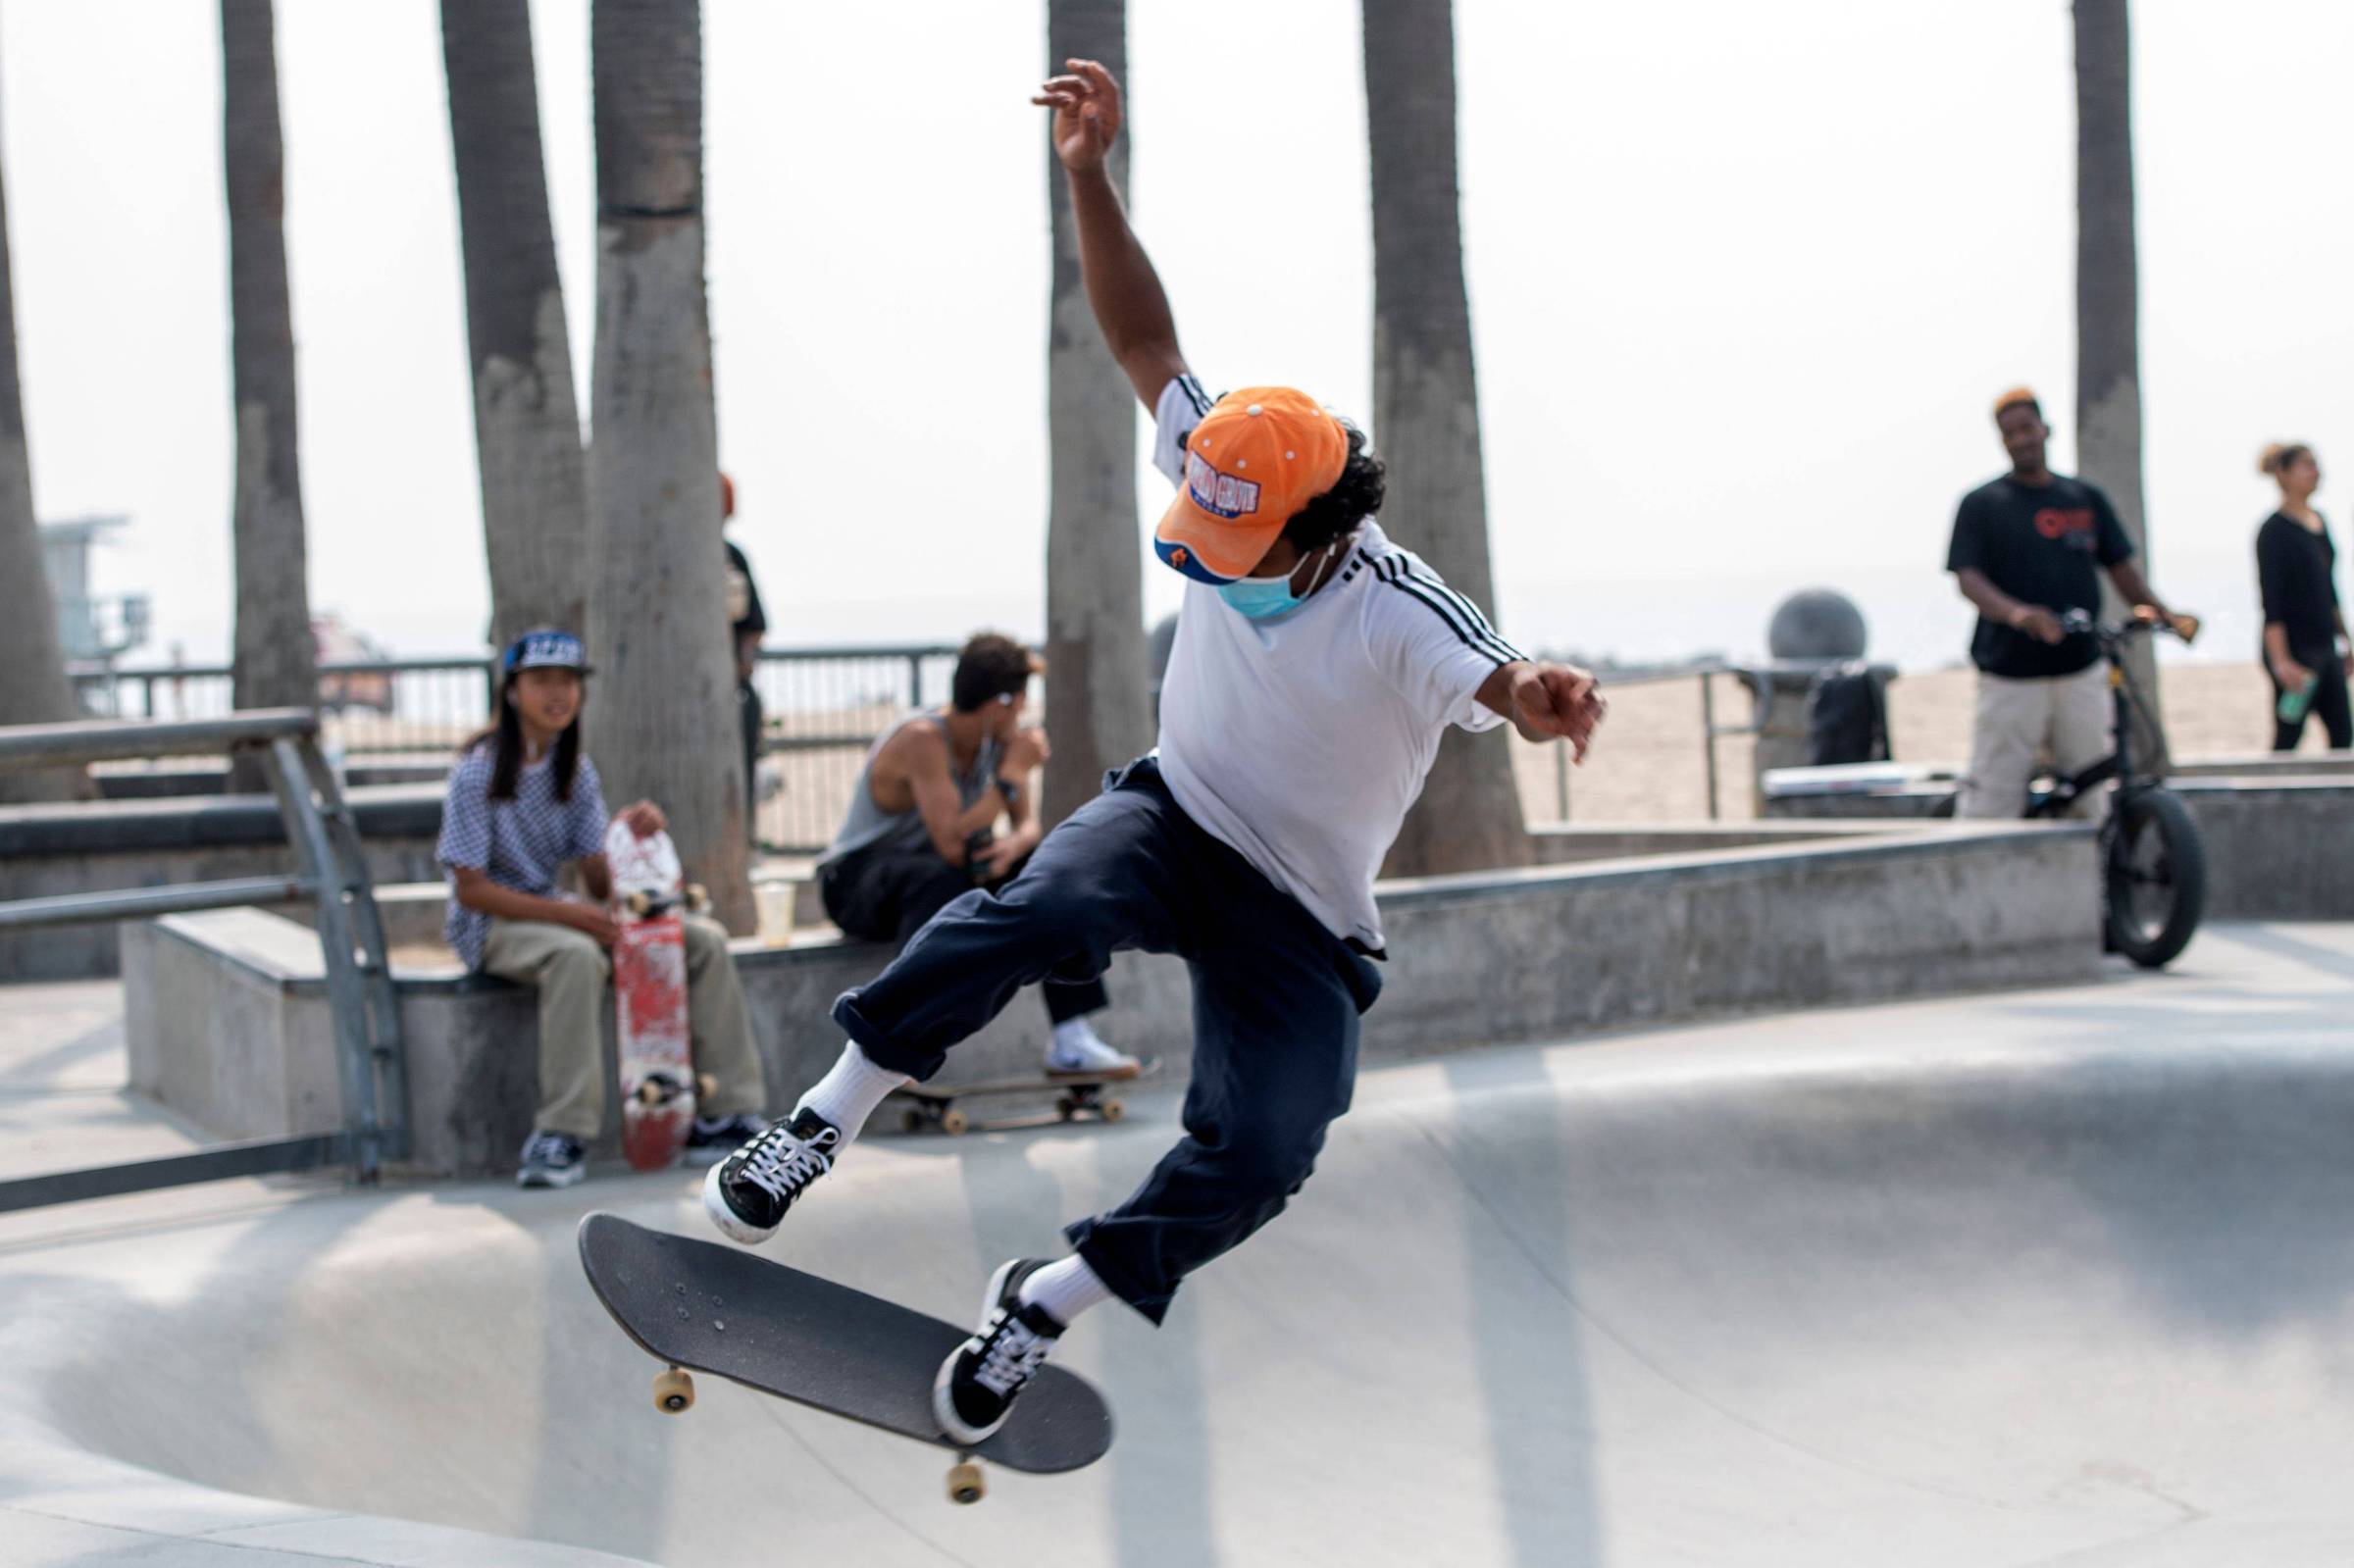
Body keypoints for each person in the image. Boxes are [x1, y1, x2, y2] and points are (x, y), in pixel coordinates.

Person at [701, 60, 1606, 1446]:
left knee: (1266, 1148)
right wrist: (1084, 176)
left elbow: (1501, 671)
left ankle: (1047, 1297)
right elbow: (1141, 336)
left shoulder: (1399, 607)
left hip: (1303, 915)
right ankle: (825, 1116)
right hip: (1175, 814)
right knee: (1042, 904)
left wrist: (1543, 690)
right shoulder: (1231, 446)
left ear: (1319, 530)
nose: (1219, 573)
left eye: (1245, 559)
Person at [438, 629, 769, 1189]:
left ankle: (724, 1114)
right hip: (491, 926)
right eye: (543, 681)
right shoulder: (478, 772)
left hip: (557, 912)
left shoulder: (577, 770)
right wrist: (570, 915)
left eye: (568, 682)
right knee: (576, 958)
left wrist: (634, 833)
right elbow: (470, 889)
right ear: (513, 691)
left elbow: (598, 880)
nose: (558, 694)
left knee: (706, 940)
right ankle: (561, 1134)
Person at [814, 632, 1137, 1077]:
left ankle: (1072, 1038)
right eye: (1022, 700)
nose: (1025, 712)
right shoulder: (922, 739)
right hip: (856, 884)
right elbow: (950, 844)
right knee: (940, 878)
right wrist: (1010, 776)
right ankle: (896, 1040)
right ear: (999, 704)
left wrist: (1012, 848)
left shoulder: (1002, 742)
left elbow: (1029, 828)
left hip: (934, 877)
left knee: (1052, 876)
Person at [1946, 387, 2197, 818]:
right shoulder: (1982, 505)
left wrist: (2165, 614)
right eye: (2009, 434)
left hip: (2080, 666)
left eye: (2027, 428)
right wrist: (2018, 614)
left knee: (2091, 789)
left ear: (2045, 429)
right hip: (2012, 673)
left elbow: (2121, 568)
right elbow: (1968, 578)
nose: (2021, 440)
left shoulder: (2084, 498)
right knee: (1994, 793)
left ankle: (2091, 880)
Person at [2254, 442, 2352, 750]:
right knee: (2289, 734)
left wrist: (2346, 639)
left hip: (2325, 644)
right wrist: (2281, 660)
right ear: (2283, 474)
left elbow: (2329, 589)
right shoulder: (2273, 531)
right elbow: (2272, 601)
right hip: (2295, 649)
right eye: (2307, 465)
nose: (2316, 472)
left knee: (2342, 733)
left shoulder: (2319, 522)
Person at [722, 473, 767, 835]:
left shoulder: (732, 557)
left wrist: (740, 669)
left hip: (732, 688)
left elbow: (755, 626)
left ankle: (743, 839)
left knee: (742, 778)